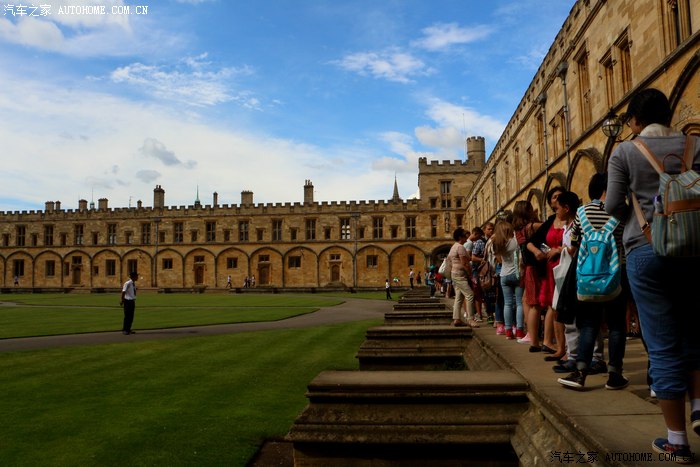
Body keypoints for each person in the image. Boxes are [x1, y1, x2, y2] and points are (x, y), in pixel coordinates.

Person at [606, 88, 700, 462]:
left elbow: (612, 206)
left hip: (646, 249)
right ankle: (699, 408)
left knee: (661, 344)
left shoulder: (625, 152)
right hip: (694, 250)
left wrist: (639, 212)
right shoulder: (695, 145)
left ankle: (677, 440)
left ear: (635, 120)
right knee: (694, 332)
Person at [558, 173, 628, 390]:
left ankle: (580, 373)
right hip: (617, 274)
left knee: (589, 324)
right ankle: (615, 375)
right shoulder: (622, 210)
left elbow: (574, 243)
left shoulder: (582, 212)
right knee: (617, 325)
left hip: (588, 278)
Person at [447, 227, 476, 327]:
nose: (467, 237)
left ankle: (456, 319)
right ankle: (470, 319)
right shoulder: (460, 247)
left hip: (455, 274)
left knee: (459, 297)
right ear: (460, 237)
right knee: (470, 295)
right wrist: (471, 275)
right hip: (460, 275)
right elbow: (465, 263)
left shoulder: (453, 247)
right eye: (465, 235)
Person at [120, 271, 139, 335]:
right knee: (127, 316)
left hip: (132, 301)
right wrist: (122, 300)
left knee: (131, 316)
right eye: (136, 276)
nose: (137, 277)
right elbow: (123, 292)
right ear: (133, 277)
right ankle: (125, 330)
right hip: (127, 301)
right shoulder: (127, 283)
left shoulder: (133, 283)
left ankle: (128, 329)